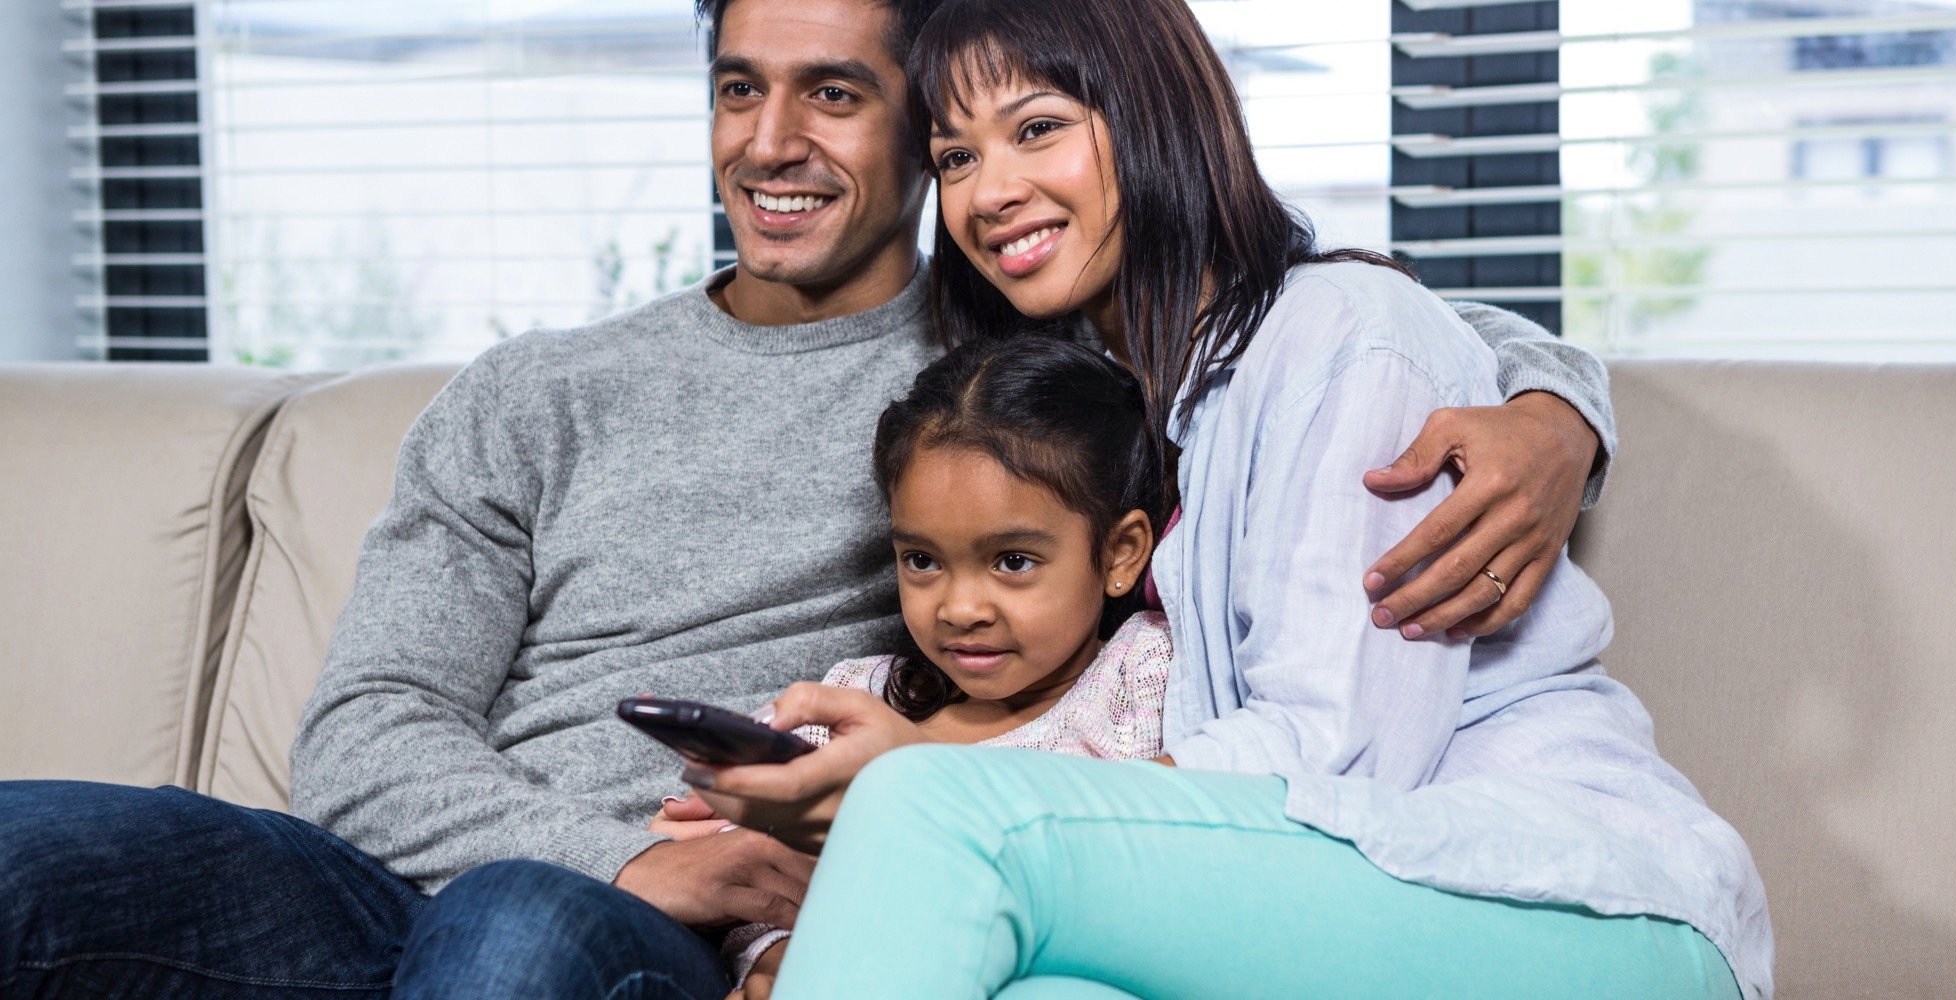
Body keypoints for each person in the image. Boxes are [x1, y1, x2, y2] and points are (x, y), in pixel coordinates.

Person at [0, 0, 1618, 997]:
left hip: (642, 934)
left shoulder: (1021, 363)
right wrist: (616, 849)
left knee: (513, 937)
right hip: (465, 878)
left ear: (924, 143)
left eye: (838, 95)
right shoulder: (528, 391)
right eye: (736, 87)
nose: (774, 140)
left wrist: (1555, 413)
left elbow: (1306, 302)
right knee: (33, 850)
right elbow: (368, 729)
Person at [685, 0, 1773, 998]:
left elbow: (1330, 762)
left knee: (927, 809)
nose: (988, 190)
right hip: (1311, 903)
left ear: (1155, 119)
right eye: (956, 156)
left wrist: (924, 766)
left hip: (1576, 903)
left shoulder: (1342, 334)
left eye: (1036, 129)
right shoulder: (1100, 400)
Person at [699, 335, 1172, 996]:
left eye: (1013, 561)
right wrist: (776, 954)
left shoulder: (1139, 676)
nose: (959, 607)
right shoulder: (853, 702)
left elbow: (1162, 875)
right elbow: (757, 883)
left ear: (1121, 553)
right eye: (922, 560)